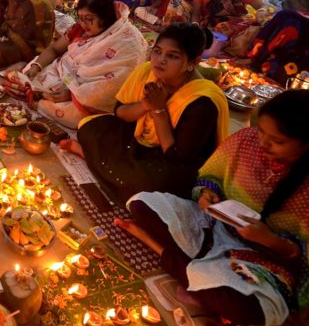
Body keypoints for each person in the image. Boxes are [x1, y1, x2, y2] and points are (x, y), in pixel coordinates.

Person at [121, 90, 309, 326]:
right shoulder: (247, 139)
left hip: (263, 262)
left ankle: (164, 252)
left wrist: (269, 240)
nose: (263, 143)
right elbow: (209, 176)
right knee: (142, 204)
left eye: (278, 141)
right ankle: (198, 272)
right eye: (262, 132)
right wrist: (206, 194)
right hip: (214, 226)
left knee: (245, 308)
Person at [62, 23, 229, 201]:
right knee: (89, 126)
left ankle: (90, 157)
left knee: (151, 187)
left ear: (193, 62)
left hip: (170, 161)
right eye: (157, 51)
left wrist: (159, 111)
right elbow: (119, 112)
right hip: (138, 139)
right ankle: (95, 160)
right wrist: (145, 105)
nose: (160, 60)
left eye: (172, 56)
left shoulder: (203, 101)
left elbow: (176, 156)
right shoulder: (147, 71)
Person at [12, 0, 147, 128]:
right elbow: (54, 49)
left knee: (76, 116)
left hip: (87, 95)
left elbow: (110, 86)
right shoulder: (79, 28)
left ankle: (44, 101)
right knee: (27, 75)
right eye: (80, 18)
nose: (83, 24)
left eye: (89, 19)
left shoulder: (126, 40)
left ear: (105, 17)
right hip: (63, 73)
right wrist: (36, 66)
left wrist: (70, 94)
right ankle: (40, 95)